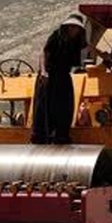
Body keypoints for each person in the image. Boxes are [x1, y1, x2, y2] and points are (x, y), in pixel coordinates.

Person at [33, 12, 87, 144]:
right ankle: (41, 137)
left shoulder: (78, 41)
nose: (73, 29)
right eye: (71, 26)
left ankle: (61, 136)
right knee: (45, 107)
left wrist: (105, 57)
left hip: (63, 76)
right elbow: (44, 53)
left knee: (65, 106)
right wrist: (44, 72)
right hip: (49, 76)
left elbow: (87, 50)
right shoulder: (56, 36)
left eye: (76, 27)